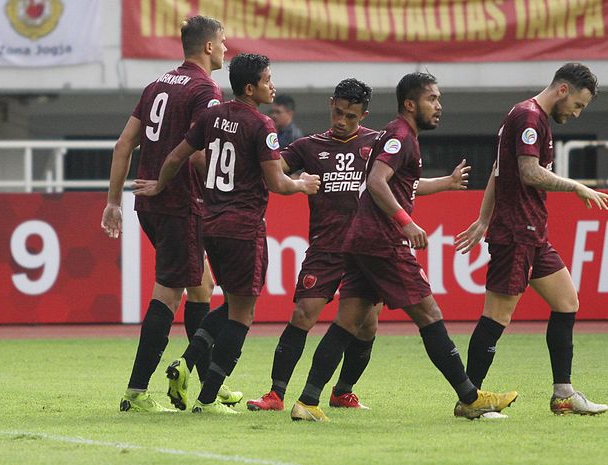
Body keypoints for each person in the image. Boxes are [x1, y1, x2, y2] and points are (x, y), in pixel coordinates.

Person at [290, 72, 518, 422]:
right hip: (382, 243)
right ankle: (470, 397)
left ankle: (306, 401)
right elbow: (376, 182)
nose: (439, 106)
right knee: (430, 315)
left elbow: (395, 185)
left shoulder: (401, 136)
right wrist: (406, 222)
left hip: (361, 241)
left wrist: (444, 184)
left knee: (346, 323)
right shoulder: (399, 136)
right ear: (411, 104)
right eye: (433, 99)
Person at [247, 78, 472, 412]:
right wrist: (295, 181)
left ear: (363, 114)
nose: (342, 121)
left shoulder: (377, 141)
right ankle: (276, 394)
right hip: (327, 247)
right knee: (302, 314)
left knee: (366, 325)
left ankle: (342, 392)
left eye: (351, 117)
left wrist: (447, 183)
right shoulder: (309, 146)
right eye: (338, 113)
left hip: (368, 248)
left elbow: (403, 185)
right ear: (330, 104)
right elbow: (273, 168)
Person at [134, 53, 320, 414]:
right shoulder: (262, 125)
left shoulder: (210, 116)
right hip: (244, 227)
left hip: (210, 223)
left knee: (229, 304)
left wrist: (158, 185)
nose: (273, 86)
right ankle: (205, 397)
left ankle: (186, 364)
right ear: (251, 88)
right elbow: (276, 183)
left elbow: (177, 157)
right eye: (268, 80)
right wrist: (302, 184)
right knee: (242, 315)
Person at [100, 15, 240, 413]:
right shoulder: (204, 90)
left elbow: (124, 144)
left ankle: (199, 386)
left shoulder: (157, 84)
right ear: (209, 46)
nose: (227, 48)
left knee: (202, 288)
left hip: (149, 203)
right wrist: (229, 188)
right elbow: (199, 155)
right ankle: (136, 391)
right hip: (180, 205)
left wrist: (113, 201)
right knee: (170, 291)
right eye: (224, 41)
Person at [454, 63, 608, 416]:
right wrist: (577, 186)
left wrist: (482, 219)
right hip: (516, 233)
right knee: (496, 316)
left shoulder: (526, 115)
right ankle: (469, 400)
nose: (577, 113)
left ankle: (563, 395)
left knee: (567, 301)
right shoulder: (528, 117)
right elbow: (528, 172)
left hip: (532, 233)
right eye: (579, 105)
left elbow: (497, 171)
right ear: (563, 90)